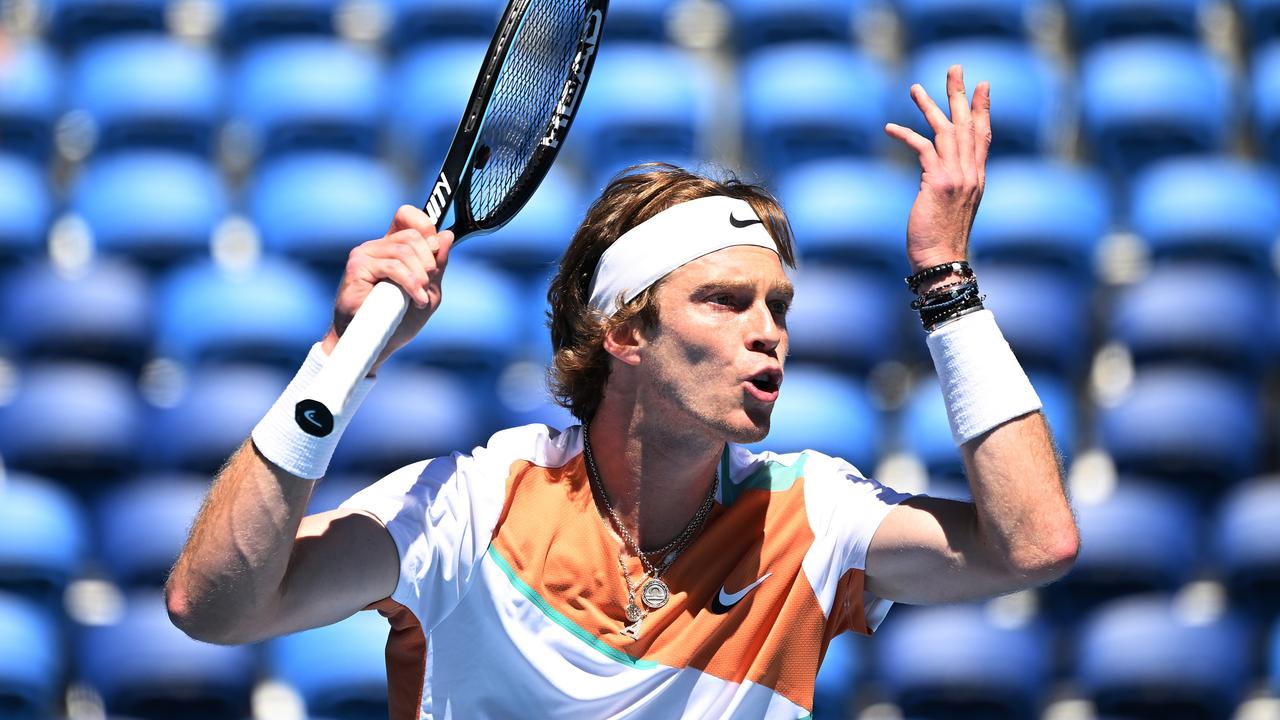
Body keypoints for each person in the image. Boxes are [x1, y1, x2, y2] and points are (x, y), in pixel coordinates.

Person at [167, 66, 1078, 719]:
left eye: (779, 307)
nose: (769, 332)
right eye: (724, 301)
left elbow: (1034, 544)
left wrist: (945, 279)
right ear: (624, 332)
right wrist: (339, 356)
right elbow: (214, 608)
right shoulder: (472, 507)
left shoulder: (812, 519)